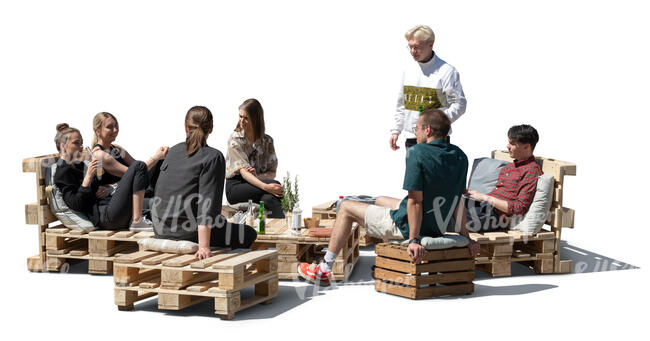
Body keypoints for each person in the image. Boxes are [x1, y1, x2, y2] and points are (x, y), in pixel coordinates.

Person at [298, 109, 478, 286]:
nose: (415, 131)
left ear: (428, 130)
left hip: (410, 226)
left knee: (345, 207)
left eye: (416, 127)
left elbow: (415, 202)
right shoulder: (460, 156)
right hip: (436, 224)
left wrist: (414, 240)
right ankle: (384, 262)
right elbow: (458, 199)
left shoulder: (418, 152)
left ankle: (323, 269)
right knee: (381, 199)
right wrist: (466, 237)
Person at [151, 106, 257, 260]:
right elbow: (207, 203)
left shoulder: (172, 152)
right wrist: (204, 247)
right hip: (188, 233)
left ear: (186, 127)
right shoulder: (213, 157)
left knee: (222, 223)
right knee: (248, 233)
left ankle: (222, 223)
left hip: (161, 230)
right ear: (211, 129)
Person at [53, 123, 157, 230]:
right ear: (63, 146)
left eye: (82, 143)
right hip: (106, 217)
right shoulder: (62, 172)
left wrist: (103, 188)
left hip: (108, 204)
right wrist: (88, 178)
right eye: (76, 143)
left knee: (154, 202)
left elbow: (93, 190)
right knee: (138, 166)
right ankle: (137, 221)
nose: (81, 147)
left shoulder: (79, 165)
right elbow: (76, 204)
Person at [390, 25, 467, 151]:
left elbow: (460, 104)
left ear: (430, 45)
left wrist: (437, 124)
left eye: (417, 47)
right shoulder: (408, 70)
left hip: (437, 140)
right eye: (410, 47)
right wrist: (396, 130)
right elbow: (402, 104)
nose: (412, 51)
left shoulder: (446, 71)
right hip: (411, 139)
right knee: (414, 172)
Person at [465, 125, 543, 231]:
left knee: (449, 218)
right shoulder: (509, 167)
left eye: (512, 143)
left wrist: (485, 197)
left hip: (492, 216)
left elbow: (519, 207)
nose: (508, 146)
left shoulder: (531, 170)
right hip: (481, 207)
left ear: (526, 147)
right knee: (447, 205)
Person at [225, 98, 285, 218]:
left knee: (268, 198)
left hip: (257, 184)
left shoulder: (267, 141)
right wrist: (266, 187)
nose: (241, 120)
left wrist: (258, 177)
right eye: (240, 116)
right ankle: (285, 225)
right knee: (275, 185)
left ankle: (275, 230)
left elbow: (272, 172)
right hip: (237, 187)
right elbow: (244, 173)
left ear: (255, 119)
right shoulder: (235, 140)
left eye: (246, 118)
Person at [90, 112, 166, 197]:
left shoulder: (116, 148)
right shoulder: (99, 155)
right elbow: (135, 174)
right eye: (109, 127)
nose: (115, 130)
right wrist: (156, 157)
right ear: (98, 131)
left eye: (116, 126)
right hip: (117, 199)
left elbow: (139, 166)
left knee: (162, 161)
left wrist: (161, 155)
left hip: (130, 192)